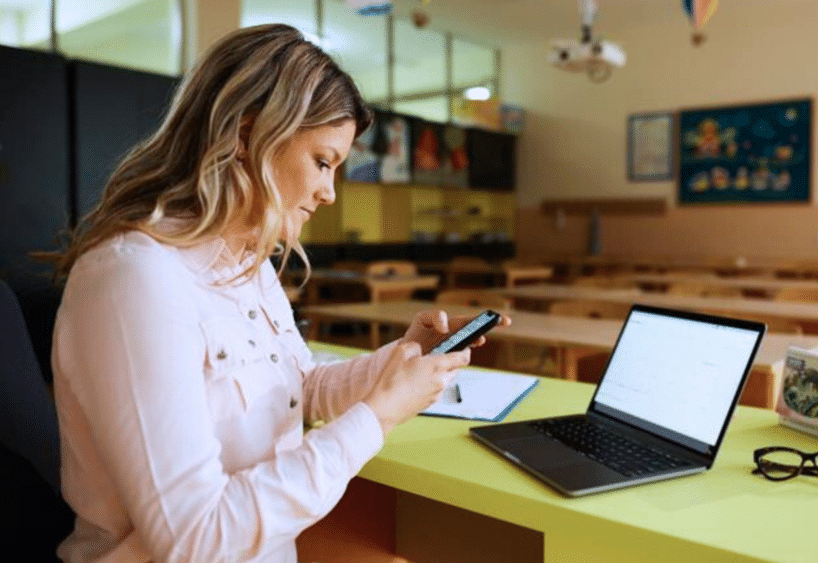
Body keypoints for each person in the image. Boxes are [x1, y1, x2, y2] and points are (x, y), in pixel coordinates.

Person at [50, 23, 509, 563]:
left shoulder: (249, 264)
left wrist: (402, 362)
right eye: (322, 161)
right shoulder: (134, 280)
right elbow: (196, 539)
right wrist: (377, 417)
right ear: (245, 137)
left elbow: (299, 389)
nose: (329, 193)